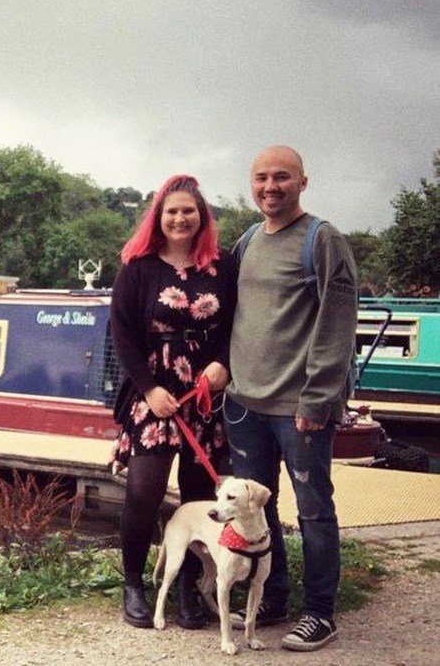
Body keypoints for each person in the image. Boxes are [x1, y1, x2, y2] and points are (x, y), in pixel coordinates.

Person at [224, 145, 358, 652]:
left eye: (282, 177)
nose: (270, 187)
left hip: (299, 406)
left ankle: (320, 613)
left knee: (313, 511)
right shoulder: (249, 239)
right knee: (259, 508)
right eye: (261, 178)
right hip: (244, 405)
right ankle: (271, 597)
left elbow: (338, 322)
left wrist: (318, 398)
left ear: (303, 182)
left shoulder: (322, 240)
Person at [110, 174, 237, 629]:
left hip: (205, 392)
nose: (180, 218)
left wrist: (223, 363)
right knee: (144, 492)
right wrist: (148, 388)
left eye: (188, 210)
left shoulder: (222, 266)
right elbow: (122, 334)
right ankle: (134, 584)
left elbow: (235, 324)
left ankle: (188, 589)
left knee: (200, 494)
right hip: (157, 389)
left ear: (201, 216)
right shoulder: (138, 267)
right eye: (171, 211)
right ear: (158, 218)